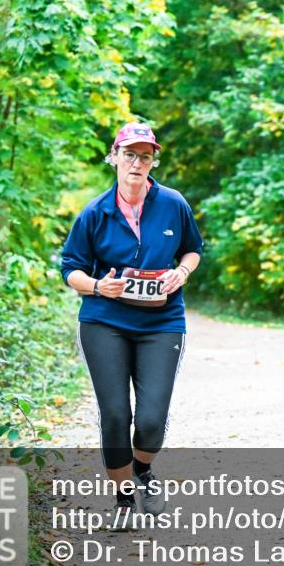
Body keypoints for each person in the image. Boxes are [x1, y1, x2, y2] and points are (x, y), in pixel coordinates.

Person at [60, 121, 203, 526]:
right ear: (115, 158)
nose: (137, 163)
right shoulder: (95, 212)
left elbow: (192, 249)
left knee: (152, 419)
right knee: (117, 415)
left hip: (162, 322)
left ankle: (143, 470)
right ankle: (124, 498)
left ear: (153, 160)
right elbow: (70, 268)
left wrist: (182, 272)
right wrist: (96, 286)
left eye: (145, 155)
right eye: (129, 154)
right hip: (105, 321)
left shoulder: (173, 203)